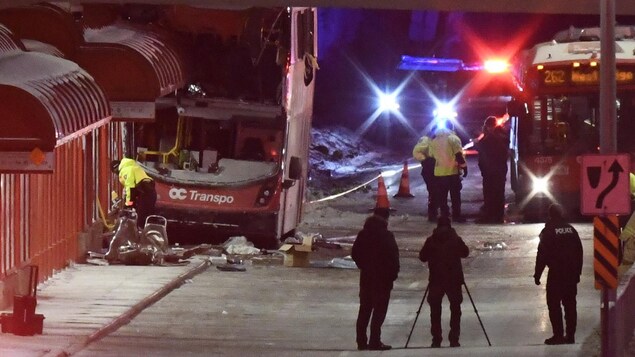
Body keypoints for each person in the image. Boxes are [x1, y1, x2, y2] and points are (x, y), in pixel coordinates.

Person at [351, 207, 400, 351]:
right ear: (386, 219)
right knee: (379, 311)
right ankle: (374, 341)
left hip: (366, 277)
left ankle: (361, 341)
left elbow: (355, 253)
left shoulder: (363, 234)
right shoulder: (386, 236)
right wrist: (392, 274)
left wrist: (364, 266)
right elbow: (393, 257)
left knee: (365, 309)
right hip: (383, 280)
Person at [533, 204, 583, 345]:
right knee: (570, 304)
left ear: (550, 215)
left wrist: (537, 274)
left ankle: (558, 335)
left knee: (554, 304)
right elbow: (579, 252)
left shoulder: (548, 231)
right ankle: (571, 336)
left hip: (556, 274)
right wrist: (577, 272)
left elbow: (541, 254)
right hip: (571, 274)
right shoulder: (571, 230)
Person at [419, 215, 470, 348]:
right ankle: (454, 337)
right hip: (454, 279)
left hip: (436, 279)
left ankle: (436, 338)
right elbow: (465, 253)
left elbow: (422, 257)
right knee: (455, 308)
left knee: (435, 310)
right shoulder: (455, 239)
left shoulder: (431, 240)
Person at [429, 121, 467, 222]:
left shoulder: (434, 140)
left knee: (442, 196)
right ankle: (456, 215)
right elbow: (458, 155)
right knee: (455, 195)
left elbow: (432, 155)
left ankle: (444, 215)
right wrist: (464, 167)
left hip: (439, 173)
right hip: (452, 172)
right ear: (452, 128)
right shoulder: (453, 138)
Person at [475, 116, 509, 223]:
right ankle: (499, 215)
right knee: (499, 192)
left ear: (489, 126)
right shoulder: (503, 135)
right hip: (500, 169)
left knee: (490, 193)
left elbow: (483, 148)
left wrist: (476, 143)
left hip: (490, 171)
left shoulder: (490, 138)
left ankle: (490, 215)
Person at [110, 158, 157, 229]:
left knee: (140, 217)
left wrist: (128, 204)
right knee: (146, 215)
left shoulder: (125, 170)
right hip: (149, 192)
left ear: (116, 169)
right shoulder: (133, 166)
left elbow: (130, 188)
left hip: (144, 192)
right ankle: (145, 231)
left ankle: (139, 232)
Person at [412, 128, 438, 221]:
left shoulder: (447, 140)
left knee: (438, 192)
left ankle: (437, 212)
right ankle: (433, 213)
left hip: (441, 169)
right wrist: (426, 160)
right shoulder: (426, 140)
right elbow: (416, 152)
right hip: (430, 169)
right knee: (433, 191)